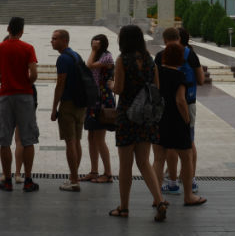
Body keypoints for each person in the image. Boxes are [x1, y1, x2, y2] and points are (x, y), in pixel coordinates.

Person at [110, 23, 166, 221]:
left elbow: (119, 89)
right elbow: (156, 88)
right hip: (146, 117)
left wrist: (110, 83)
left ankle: (124, 207)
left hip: (127, 116)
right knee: (144, 161)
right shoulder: (151, 61)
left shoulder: (122, 60)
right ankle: (159, 200)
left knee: (125, 165)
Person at [0, 16, 39, 192]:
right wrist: (26, 82)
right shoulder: (28, 48)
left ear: (8, 29)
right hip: (25, 96)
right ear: (22, 30)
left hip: (5, 95)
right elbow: (33, 73)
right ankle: (28, 179)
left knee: (4, 139)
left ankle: (7, 179)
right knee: (28, 138)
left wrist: (5, 80)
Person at [155, 34, 206, 206]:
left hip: (160, 119)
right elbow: (180, 100)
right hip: (176, 120)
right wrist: (185, 119)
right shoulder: (179, 77)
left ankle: (157, 197)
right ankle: (188, 195)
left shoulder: (158, 73)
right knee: (186, 156)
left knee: (158, 159)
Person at [49, 28, 86, 191]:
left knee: (70, 141)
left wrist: (54, 107)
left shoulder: (63, 59)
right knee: (77, 140)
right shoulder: (76, 55)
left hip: (69, 103)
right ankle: (74, 177)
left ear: (64, 40)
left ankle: (74, 180)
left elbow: (60, 84)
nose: (52, 41)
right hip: (80, 103)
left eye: (55, 38)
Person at [83, 33, 115, 184]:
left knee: (100, 138)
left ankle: (108, 173)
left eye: (97, 44)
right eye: (92, 43)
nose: (93, 46)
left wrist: (94, 51)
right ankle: (94, 170)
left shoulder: (107, 57)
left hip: (103, 101)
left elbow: (88, 65)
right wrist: (94, 51)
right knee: (91, 137)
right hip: (92, 100)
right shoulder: (95, 56)